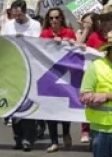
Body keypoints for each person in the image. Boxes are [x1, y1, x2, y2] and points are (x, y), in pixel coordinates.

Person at [0, 0, 41, 151]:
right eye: (14, 15)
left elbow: (40, 44)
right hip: (13, 69)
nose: (17, 18)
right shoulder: (8, 26)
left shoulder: (35, 25)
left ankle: (28, 138)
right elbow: (2, 43)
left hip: (31, 69)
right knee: (15, 106)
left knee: (28, 105)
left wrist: (25, 38)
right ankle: (18, 138)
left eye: (20, 15)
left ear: (25, 11)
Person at [39, 8, 76, 152]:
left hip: (66, 75)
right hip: (49, 75)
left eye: (56, 17)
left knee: (65, 107)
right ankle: (54, 141)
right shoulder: (44, 34)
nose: (54, 20)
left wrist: (70, 42)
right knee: (50, 109)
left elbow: (77, 49)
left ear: (61, 19)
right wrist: (49, 42)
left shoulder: (69, 32)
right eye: (51, 18)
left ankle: (66, 132)